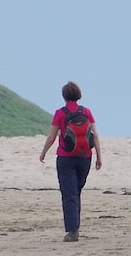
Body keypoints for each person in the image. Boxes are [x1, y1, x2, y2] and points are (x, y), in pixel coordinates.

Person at [37, 81, 102, 242]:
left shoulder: (60, 113)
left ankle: (72, 231)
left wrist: (43, 152)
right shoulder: (86, 112)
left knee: (69, 194)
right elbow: (95, 135)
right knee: (76, 192)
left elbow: (52, 137)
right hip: (85, 157)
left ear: (64, 96)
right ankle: (75, 227)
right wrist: (99, 156)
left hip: (66, 158)